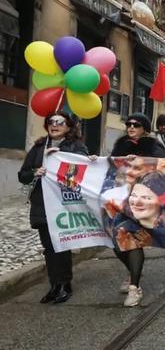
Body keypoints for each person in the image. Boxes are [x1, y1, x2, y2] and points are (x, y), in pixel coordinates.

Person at [18, 111, 89, 304]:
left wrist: (60, 160)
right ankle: (54, 285)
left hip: (63, 203)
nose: (54, 125)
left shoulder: (76, 147)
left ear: (68, 127)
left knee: (61, 244)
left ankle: (65, 284)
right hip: (42, 204)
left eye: (60, 122)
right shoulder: (39, 146)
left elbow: (81, 170)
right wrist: (36, 170)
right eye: (51, 122)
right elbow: (22, 175)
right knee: (48, 247)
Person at [109, 113, 165, 307]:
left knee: (132, 240)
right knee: (116, 242)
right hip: (121, 199)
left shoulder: (154, 146)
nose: (131, 127)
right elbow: (110, 166)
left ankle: (135, 287)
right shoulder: (121, 144)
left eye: (136, 125)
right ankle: (134, 269)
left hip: (142, 199)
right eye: (128, 124)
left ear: (145, 128)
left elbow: (159, 167)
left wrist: (140, 161)